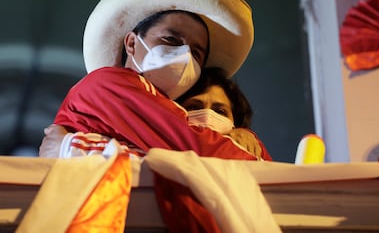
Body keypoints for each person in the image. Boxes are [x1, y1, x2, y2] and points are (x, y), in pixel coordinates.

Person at [39, 0, 262, 160]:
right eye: (171, 40)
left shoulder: (165, 109)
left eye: (195, 52)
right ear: (132, 43)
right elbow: (201, 152)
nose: (184, 55)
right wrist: (250, 148)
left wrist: (242, 134)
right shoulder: (107, 84)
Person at [41, 67, 273, 160]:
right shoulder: (149, 139)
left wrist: (69, 145)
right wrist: (70, 145)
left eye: (220, 110)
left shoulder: (249, 151)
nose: (206, 115)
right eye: (193, 106)